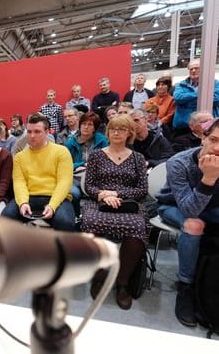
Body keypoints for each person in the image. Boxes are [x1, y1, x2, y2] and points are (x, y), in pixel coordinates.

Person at [156, 118, 219, 327]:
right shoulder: (179, 163)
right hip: (173, 206)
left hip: (211, 209)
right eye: (214, 140)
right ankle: (186, 287)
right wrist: (209, 179)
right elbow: (190, 210)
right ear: (202, 138)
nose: (217, 148)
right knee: (194, 225)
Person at [81, 114, 148, 310]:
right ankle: (99, 275)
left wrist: (117, 194)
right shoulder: (96, 155)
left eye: (122, 129)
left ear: (129, 133)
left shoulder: (138, 158)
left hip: (129, 204)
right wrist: (103, 194)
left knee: (137, 227)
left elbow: (142, 190)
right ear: (107, 132)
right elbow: (89, 185)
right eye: (113, 129)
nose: (116, 132)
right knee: (89, 224)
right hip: (100, 202)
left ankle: (123, 281)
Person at [1, 114, 75, 231]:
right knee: (6, 217)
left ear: (47, 132)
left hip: (55, 197)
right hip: (29, 197)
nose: (32, 136)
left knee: (65, 222)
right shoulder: (20, 157)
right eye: (29, 132)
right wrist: (23, 203)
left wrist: (52, 205)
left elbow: (64, 182)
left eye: (37, 131)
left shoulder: (61, 152)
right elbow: (19, 182)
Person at [173, 58, 219, 132]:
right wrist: (199, 94)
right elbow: (178, 98)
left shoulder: (215, 83)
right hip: (184, 127)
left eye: (196, 68)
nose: (193, 71)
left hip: (208, 127)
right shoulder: (181, 84)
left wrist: (187, 102)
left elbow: (216, 99)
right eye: (191, 69)